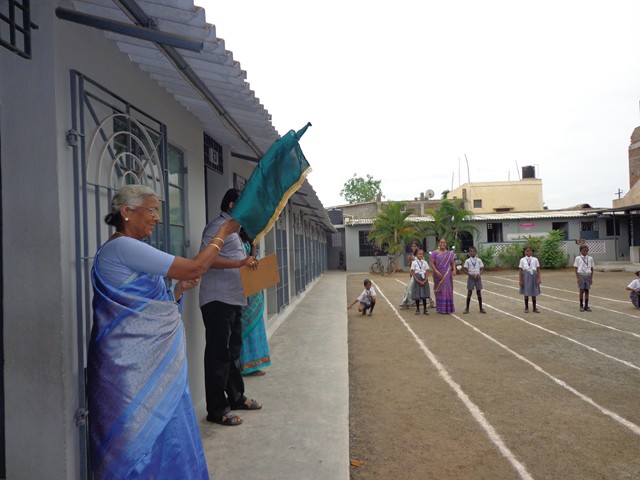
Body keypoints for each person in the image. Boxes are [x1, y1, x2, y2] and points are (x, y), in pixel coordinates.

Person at [88, 184, 239, 479]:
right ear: (127, 212)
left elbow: (150, 304)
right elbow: (195, 268)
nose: (157, 217)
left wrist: (178, 290)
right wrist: (223, 232)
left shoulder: (129, 249)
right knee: (138, 446)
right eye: (152, 210)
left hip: (154, 367)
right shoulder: (122, 247)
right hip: (132, 372)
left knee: (167, 440)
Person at [199, 188, 262, 427]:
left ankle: (235, 397)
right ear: (232, 205)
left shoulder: (236, 231)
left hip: (234, 299)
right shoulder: (217, 227)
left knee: (233, 353)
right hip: (218, 300)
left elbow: (240, 262)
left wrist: (249, 261)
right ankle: (216, 410)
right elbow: (207, 260)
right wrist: (240, 262)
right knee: (218, 355)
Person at [238, 228, 271, 376]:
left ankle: (255, 364)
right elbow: (246, 262)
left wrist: (253, 245)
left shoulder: (249, 243)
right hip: (244, 291)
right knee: (245, 328)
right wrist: (252, 247)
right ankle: (245, 365)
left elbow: (254, 260)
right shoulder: (237, 243)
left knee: (257, 326)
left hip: (254, 292)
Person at [430, 238, 457, 314]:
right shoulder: (434, 253)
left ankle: (448, 308)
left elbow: (452, 263)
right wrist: (436, 271)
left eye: (444, 242)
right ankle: (440, 308)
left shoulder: (449, 254)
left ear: (446, 244)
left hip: (447, 274)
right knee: (439, 290)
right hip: (437, 275)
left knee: (447, 290)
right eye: (441, 242)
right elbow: (432, 263)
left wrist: (454, 270)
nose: (442, 244)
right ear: (439, 243)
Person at [462, 246, 487, 314]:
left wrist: (479, 274)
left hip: (478, 277)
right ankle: (467, 308)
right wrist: (470, 274)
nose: (472, 252)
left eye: (474, 251)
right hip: (471, 278)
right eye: (471, 251)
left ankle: (481, 308)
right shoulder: (467, 261)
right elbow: (464, 270)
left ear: (476, 252)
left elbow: (482, 269)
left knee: (479, 292)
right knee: (469, 292)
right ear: (469, 253)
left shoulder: (479, 260)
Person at [519, 246, 541, 313]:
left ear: (532, 252)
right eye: (527, 251)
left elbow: (538, 269)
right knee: (526, 291)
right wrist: (520, 280)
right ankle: (526, 308)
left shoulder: (535, 259)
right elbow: (520, 270)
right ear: (524, 252)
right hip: (526, 275)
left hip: (534, 275)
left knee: (534, 291)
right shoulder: (522, 260)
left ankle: (534, 308)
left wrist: (539, 278)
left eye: (530, 251)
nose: (529, 252)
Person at [573, 244, 594, 312]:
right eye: (583, 251)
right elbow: (576, 268)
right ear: (580, 251)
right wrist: (578, 278)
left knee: (587, 290)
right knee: (581, 290)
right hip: (581, 275)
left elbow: (592, 268)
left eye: (586, 251)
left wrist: (591, 278)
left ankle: (586, 306)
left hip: (588, 275)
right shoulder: (578, 258)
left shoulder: (590, 258)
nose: (585, 252)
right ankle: (581, 305)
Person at [400, 241, 420, 309]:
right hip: (413, 274)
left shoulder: (419, 254)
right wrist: (410, 261)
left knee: (411, 289)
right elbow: (410, 265)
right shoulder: (412, 255)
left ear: (417, 247)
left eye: (415, 246)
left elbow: (420, 264)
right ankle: (407, 303)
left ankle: (407, 303)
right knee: (409, 288)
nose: (413, 247)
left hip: (418, 274)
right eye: (412, 246)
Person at [411, 249, 431, 315]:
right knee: (417, 294)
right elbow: (413, 273)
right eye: (419, 254)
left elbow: (427, 272)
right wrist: (418, 280)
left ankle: (425, 309)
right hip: (417, 279)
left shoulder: (425, 262)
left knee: (424, 295)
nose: (421, 255)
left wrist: (425, 280)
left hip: (424, 279)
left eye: (422, 254)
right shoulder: (414, 262)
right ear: (416, 255)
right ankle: (417, 309)